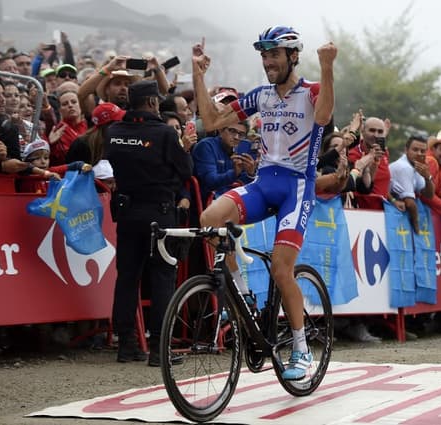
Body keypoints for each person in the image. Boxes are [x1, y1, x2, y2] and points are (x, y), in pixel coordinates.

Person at [192, 26, 337, 380]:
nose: (268, 61)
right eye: (264, 55)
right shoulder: (261, 96)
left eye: (274, 55)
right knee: (210, 219)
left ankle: (301, 349)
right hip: (264, 183)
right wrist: (198, 74)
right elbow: (210, 121)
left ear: (292, 56)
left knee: (281, 269)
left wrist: (328, 67)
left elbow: (323, 118)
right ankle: (243, 296)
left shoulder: (312, 92)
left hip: (296, 189)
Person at [104, 80, 193, 366]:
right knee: (162, 279)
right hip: (160, 213)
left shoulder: (114, 132)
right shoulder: (166, 133)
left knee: (127, 278)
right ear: (154, 103)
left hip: (128, 213)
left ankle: (126, 345)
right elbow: (186, 169)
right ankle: (159, 349)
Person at [191, 119, 257, 204]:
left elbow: (245, 185)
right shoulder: (206, 146)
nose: (236, 137)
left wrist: (250, 173)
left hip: (232, 200)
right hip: (207, 201)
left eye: (241, 134)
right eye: (232, 131)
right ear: (221, 130)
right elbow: (210, 181)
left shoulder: (241, 150)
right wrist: (235, 173)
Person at [389, 135, 434, 232]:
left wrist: (428, 178)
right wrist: (417, 227)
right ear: (406, 150)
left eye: (422, 151)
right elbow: (410, 203)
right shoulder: (404, 167)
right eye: (415, 150)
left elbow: (429, 195)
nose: (419, 154)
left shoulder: (417, 165)